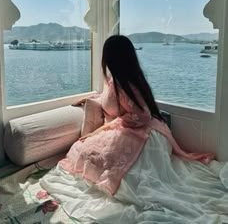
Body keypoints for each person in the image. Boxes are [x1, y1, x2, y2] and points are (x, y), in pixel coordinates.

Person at [56, 35, 215, 196]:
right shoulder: (121, 79)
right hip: (142, 129)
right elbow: (115, 100)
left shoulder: (125, 84)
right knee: (84, 149)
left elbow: (143, 115)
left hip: (143, 134)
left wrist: (115, 123)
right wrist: (91, 99)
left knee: (87, 153)